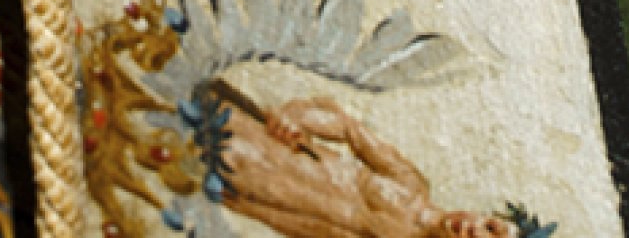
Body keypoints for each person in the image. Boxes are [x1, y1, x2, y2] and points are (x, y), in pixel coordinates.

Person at [197, 82, 517, 238]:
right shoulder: (410, 184)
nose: (474, 234)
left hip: (254, 186)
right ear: (486, 215)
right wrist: (295, 119)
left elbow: (315, 230)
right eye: (490, 228)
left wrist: (250, 209)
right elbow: (349, 129)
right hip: (267, 143)